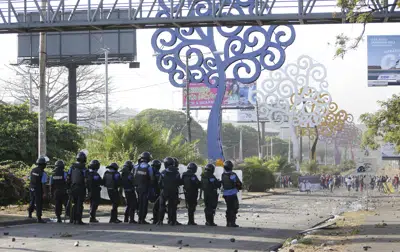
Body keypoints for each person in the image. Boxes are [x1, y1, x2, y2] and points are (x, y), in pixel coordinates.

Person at [157, 157, 182, 226]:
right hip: (174, 191)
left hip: (164, 191)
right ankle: (172, 221)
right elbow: (179, 182)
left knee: (162, 205)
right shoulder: (177, 172)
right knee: (172, 206)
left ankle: (160, 221)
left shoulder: (163, 172)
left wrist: (162, 188)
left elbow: (159, 183)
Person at [67, 151, 88, 225]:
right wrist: (87, 189)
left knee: (74, 204)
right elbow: (85, 179)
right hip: (81, 187)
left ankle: (72, 219)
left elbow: (68, 178)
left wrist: (68, 188)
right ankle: (78, 220)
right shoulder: (84, 168)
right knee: (79, 204)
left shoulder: (71, 167)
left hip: (73, 187)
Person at [134, 152, 154, 224]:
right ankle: (142, 219)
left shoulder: (136, 167)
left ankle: (139, 218)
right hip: (145, 188)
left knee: (139, 202)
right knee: (144, 203)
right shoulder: (149, 167)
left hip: (137, 188)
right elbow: (152, 178)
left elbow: (133, 176)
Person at [221, 160, 242, 227]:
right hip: (232, 193)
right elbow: (238, 183)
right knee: (234, 208)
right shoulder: (232, 175)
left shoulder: (223, 175)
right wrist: (239, 187)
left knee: (229, 208)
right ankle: (232, 223)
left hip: (226, 194)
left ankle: (228, 222)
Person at [28, 157, 48, 223]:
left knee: (32, 201)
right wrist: (45, 193)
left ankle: (29, 214)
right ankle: (39, 218)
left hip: (31, 188)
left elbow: (30, 179)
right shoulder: (43, 173)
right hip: (38, 190)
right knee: (39, 203)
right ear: (43, 164)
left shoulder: (33, 170)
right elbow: (43, 184)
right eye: (45, 164)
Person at [150, 160, 162, 224]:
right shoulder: (156, 172)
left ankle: (155, 218)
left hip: (149, 189)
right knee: (156, 205)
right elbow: (159, 182)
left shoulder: (149, 170)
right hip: (155, 190)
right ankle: (156, 219)